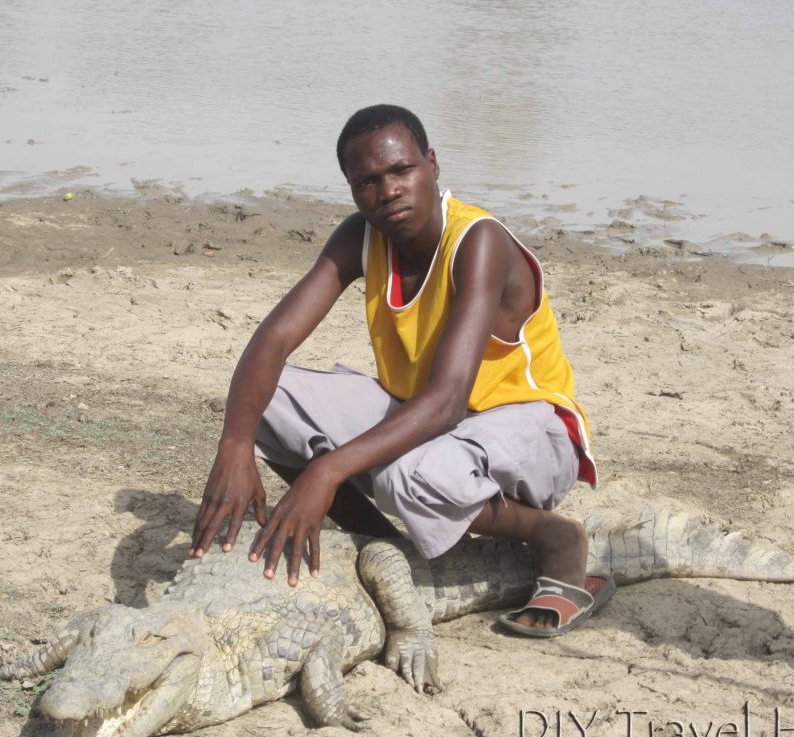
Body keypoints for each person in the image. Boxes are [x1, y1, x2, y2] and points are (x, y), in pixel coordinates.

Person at [189, 104, 611, 636]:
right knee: (266, 403)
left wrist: (326, 471)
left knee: (406, 477)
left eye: (401, 171)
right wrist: (234, 446)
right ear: (350, 189)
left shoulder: (479, 242)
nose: (387, 191)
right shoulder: (359, 237)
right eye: (367, 181)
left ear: (432, 166)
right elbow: (273, 339)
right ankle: (384, 551)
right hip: (433, 423)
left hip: (529, 432)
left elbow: (449, 399)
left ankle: (555, 538)